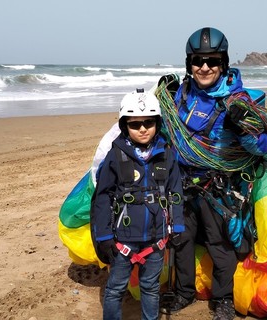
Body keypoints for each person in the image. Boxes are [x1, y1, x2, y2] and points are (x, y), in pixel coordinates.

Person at [157, 27, 267, 320]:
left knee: (220, 244)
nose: (204, 67)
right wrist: (162, 102)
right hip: (181, 183)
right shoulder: (180, 95)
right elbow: (166, 134)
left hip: (218, 188)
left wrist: (243, 128)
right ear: (188, 63)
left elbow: (261, 149)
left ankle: (223, 299)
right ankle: (183, 292)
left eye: (212, 61)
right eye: (198, 60)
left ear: (224, 63)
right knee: (181, 240)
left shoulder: (238, 101)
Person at [91, 88, 185, 320]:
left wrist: (178, 226)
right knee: (116, 288)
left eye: (148, 123)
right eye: (135, 124)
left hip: (156, 239)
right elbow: (103, 197)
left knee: (151, 287)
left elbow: (175, 192)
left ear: (157, 123)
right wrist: (103, 236)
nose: (142, 128)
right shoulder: (116, 156)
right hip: (123, 239)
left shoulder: (166, 155)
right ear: (125, 126)